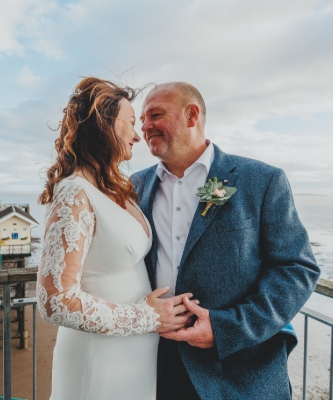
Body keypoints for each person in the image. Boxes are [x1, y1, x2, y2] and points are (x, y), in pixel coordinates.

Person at [132, 82, 320, 400]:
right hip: (155, 366)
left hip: (239, 370)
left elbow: (296, 268)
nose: (145, 126)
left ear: (192, 115)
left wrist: (226, 328)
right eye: (141, 120)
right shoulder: (135, 186)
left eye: (156, 114)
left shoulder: (262, 180)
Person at [36, 77, 195, 400]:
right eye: (132, 123)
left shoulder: (114, 188)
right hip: (98, 361)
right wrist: (148, 316)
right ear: (103, 125)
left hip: (133, 361)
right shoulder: (74, 192)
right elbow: (54, 302)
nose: (139, 135)